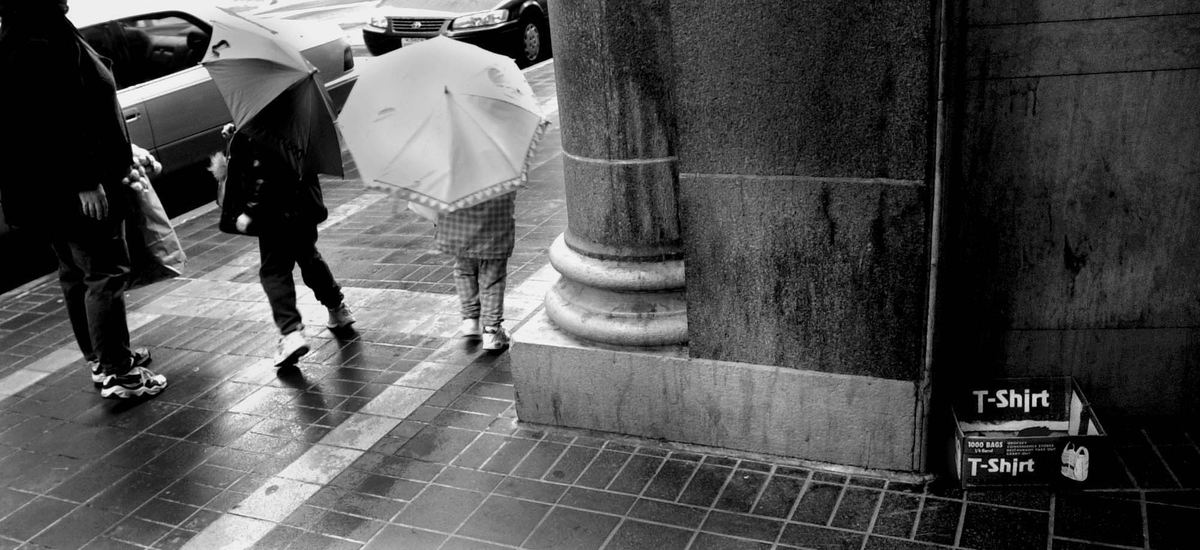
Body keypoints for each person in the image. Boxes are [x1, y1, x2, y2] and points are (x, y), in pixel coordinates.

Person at [0, 0, 167, 398]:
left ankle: (102, 356)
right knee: (104, 272)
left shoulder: (24, 30)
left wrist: (126, 148)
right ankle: (118, 373)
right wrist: (86, 180)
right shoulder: (41, 37)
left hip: (49, 187)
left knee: (76, 272)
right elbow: (57, 117)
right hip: (72, 185)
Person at [217, 124, 355, 366]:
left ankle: (291, 332)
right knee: (308, 257)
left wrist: (248, 212)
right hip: (304, 207)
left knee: (274, 271)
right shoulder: (298, 119)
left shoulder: (259, 125)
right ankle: (338, 308)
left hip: (273, 215)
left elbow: (265, 173)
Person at [435, 192, 516, 351]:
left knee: (464, 271)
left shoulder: (452, 172)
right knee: (492, 280)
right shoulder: (500, 172)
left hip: (459, 230)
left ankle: (470, 321)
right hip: (494, 231)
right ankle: (491, 331)